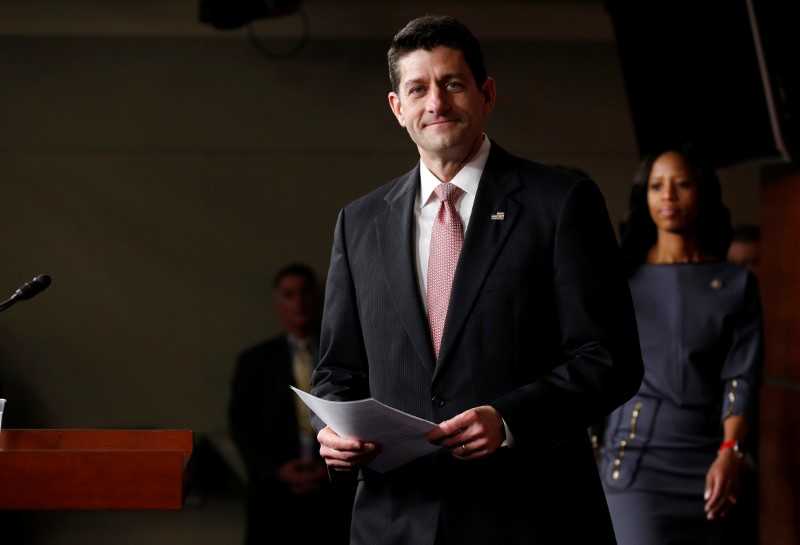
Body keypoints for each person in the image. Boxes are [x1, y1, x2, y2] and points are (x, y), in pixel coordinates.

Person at [309, 14, 644, 545]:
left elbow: (610, 359)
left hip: (530, 516)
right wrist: (331, 433)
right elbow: (337, 372)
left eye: (453, 84)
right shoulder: (359, 222)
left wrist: (509, 419)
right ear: (398, 108)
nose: (436, 103)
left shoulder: (559, 202)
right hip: (395, 521)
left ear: (486, 94)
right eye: (417, 89)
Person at [596, 143, 764, 545]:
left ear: (701, 192)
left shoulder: (736, 283)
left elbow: (740, 376)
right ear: (645, 196)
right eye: (657, 185)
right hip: (635, 461)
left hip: (712, 460)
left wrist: (730, 451)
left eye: (682, 184)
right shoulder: (618, 280)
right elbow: (593, 365)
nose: (668, 195)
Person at [228, 263, 355, 545]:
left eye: (305, 293)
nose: (299, 302)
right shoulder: (254, 362)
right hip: (273, 497)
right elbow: (240, 426)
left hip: (334, 494)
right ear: (278, 303)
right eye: (289, 294)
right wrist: (275, 470)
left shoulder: (345, 357)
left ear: (320, 298)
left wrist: (334, 467)